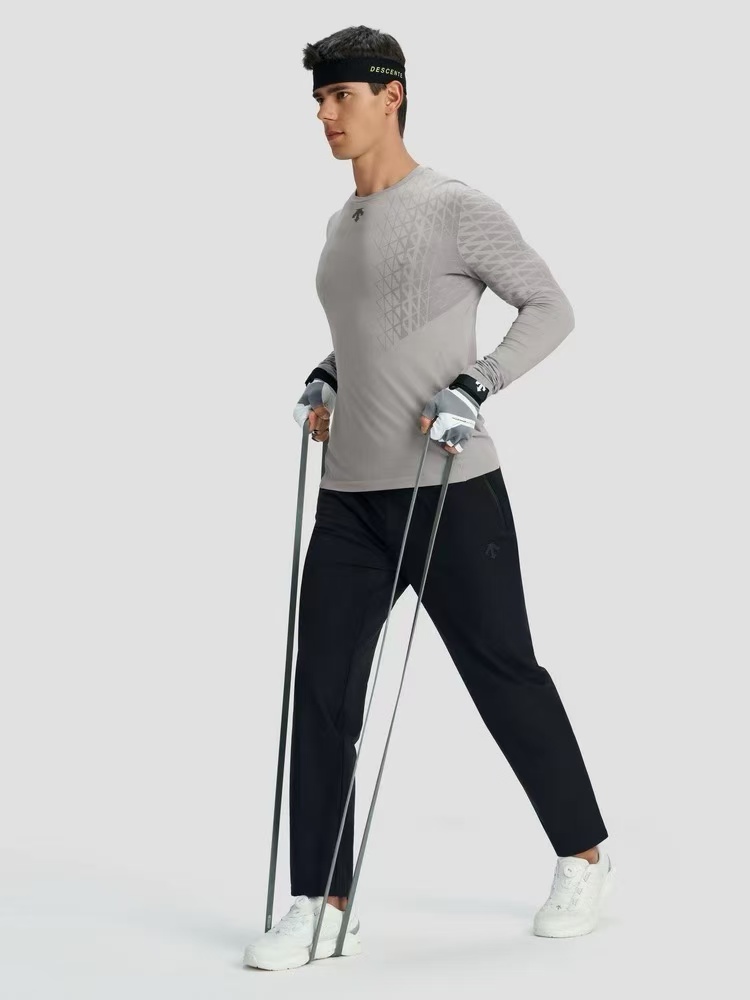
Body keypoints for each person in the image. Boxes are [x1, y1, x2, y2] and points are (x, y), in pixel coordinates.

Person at [243, 24, 614, 973]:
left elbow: (550, 306)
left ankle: (584, 856)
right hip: (350, 500)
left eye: (341, 97)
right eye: (318, 101)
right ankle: (321, 902)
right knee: (322, 695)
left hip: (451, 493)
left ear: (391, 94)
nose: (325, 115)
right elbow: (372, 332)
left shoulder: (454, 206)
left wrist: (479, 383)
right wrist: (328, 376)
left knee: (504, 677)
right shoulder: (341, 225)